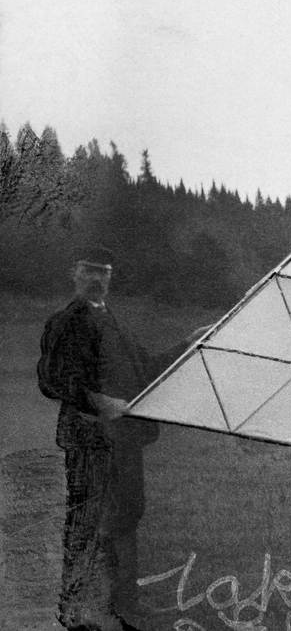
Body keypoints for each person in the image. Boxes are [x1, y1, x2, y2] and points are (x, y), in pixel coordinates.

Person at [38, 246, 205, 631]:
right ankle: (76, 610)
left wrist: (188, 343)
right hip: (89, 440)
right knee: (88, 520)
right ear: (74, 273)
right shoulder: (65, 322)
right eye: (89, 271)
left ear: (110, 277)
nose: (97, 279)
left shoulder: (112, 320)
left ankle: (124, 602)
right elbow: (53, 378)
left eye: (105, 272)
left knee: (128, 513)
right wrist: (97, 401)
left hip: (124, 438)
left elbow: (146, 368)